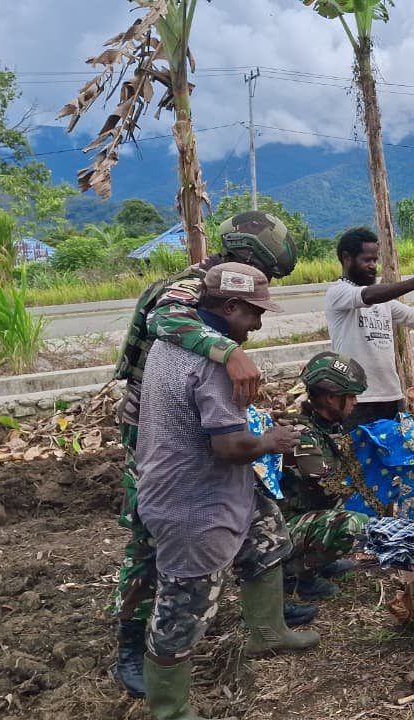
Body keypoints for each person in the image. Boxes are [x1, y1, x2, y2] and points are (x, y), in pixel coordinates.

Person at [111, 212, 310, 699]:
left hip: (197, 418)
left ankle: (268, 623)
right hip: (157, 432)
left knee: (257, 515)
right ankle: (133, 647)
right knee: (153, 545)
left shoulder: (219, 299)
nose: (260, 317)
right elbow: (165, 319)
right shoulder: (192, 288)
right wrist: (229, 352)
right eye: (256, 303)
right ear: (243, 263)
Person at [276, 352, 373, 600]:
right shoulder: (301, 433)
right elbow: (328, 484)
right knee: (354, 524)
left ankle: (317, 562)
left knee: (347, 507)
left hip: (302, 516)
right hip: (279, 528)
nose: (355, 403)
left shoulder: (327, 426)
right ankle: (297, 575)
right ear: (331, 397)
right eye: (350, 396)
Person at [325, 227, 414, 429]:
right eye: (366, 260)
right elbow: (368, 296)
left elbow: (413, 318)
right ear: (346, 258)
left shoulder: (383, 300)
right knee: (361, 459)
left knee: (395, 457)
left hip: (391, 395)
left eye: (375, 260)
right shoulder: (339, 292)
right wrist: (412, 283)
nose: (372, 266)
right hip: (358, 399)